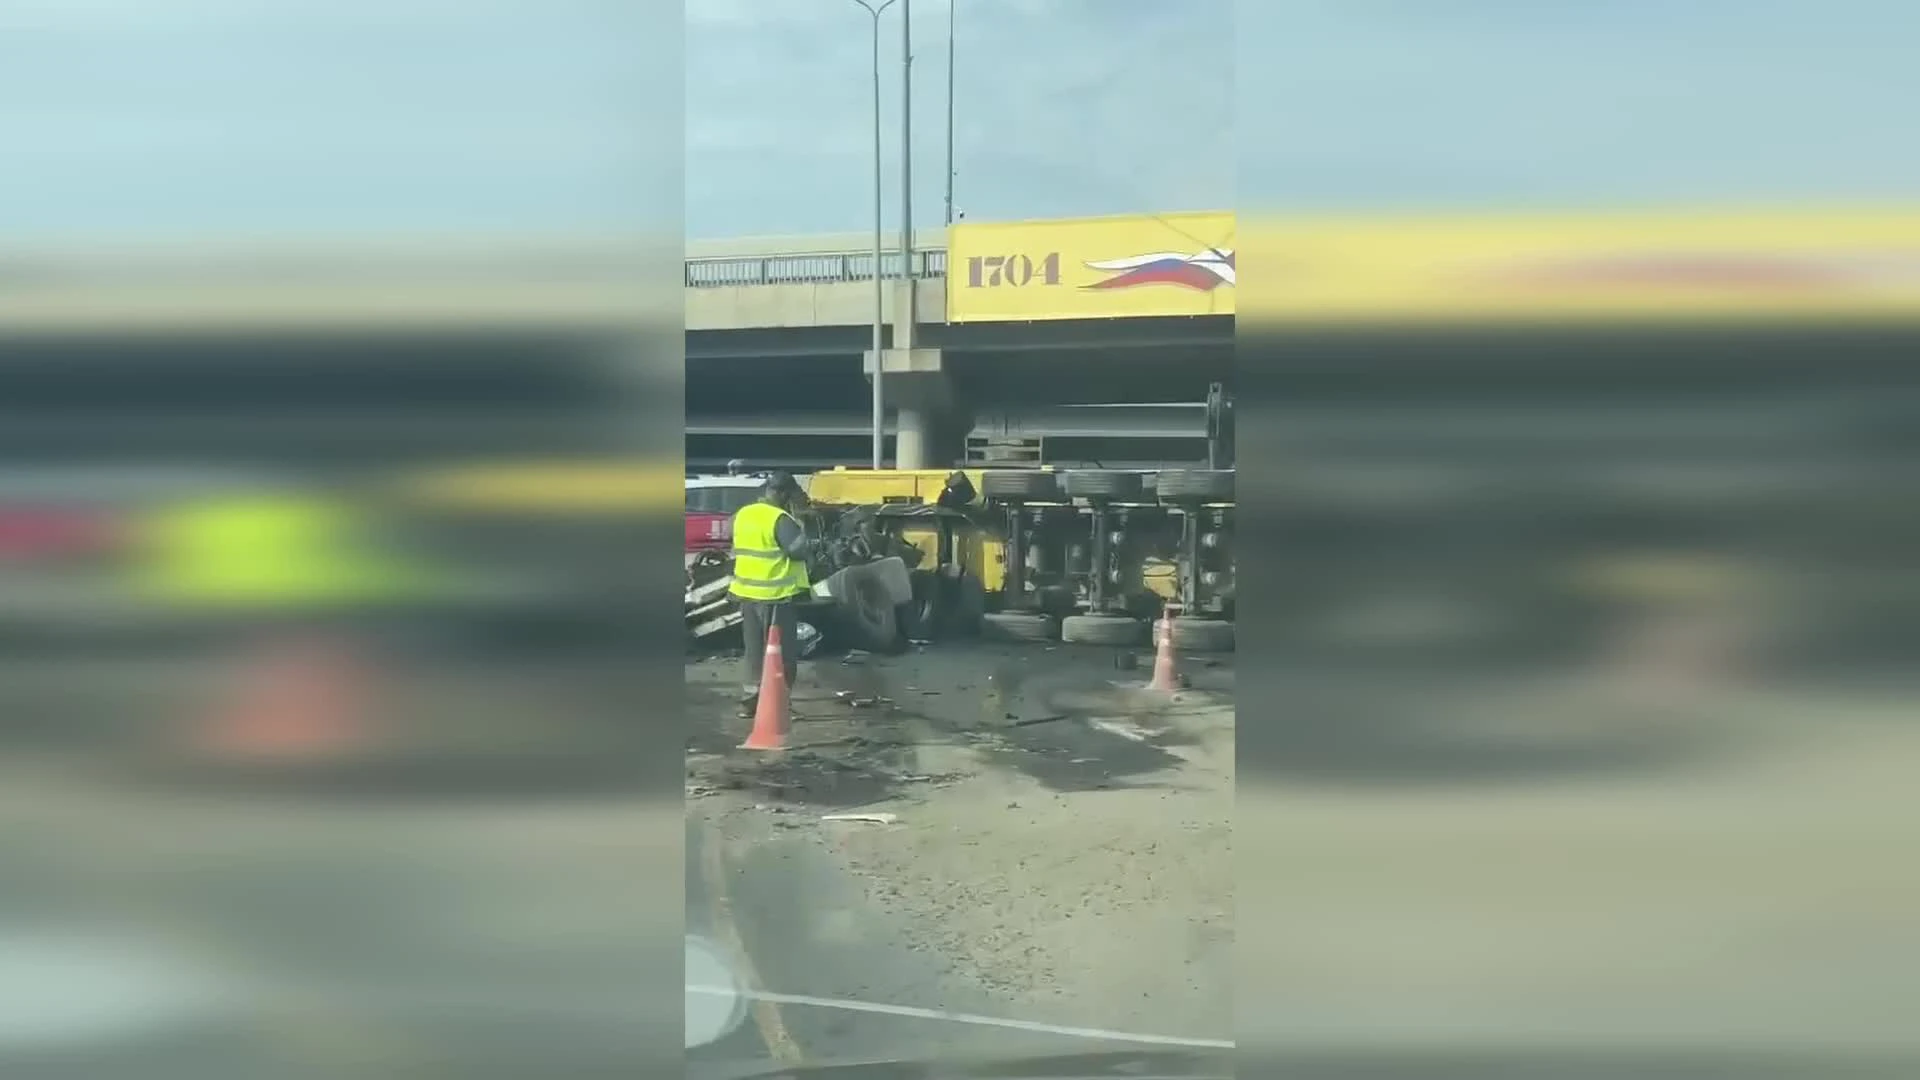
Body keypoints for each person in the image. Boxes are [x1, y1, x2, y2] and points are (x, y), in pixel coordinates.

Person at [728, 472, 812, 717]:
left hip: (747, 593)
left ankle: (750, 701)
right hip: (776, 596)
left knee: (754, 650)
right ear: (783, 493)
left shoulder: (744, 514)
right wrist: (803, 528)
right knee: (781, 651)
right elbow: (797, 551)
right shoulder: (780, 518)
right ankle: (779, 703)